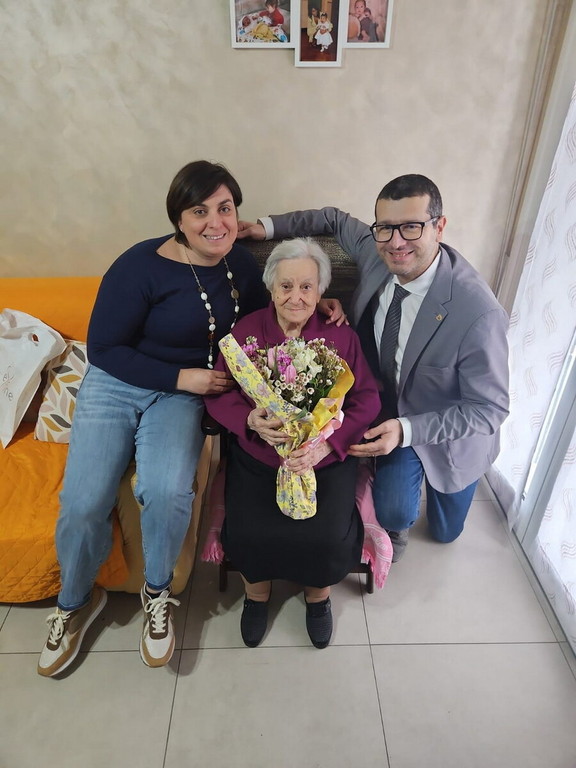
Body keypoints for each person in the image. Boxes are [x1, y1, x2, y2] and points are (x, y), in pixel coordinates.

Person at [37, 160, 344, 679]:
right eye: (199, 211)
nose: (215, 222)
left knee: (165, 489)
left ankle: (157, 594)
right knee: (84, 500)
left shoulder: (240, 265)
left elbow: (270, 314)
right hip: (118, 385)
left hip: (181, 398)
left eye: (225, 208)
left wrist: (317, 304)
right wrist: (184, 377)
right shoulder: (137, 265)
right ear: (178, 218)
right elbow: (105, 350)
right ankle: (74, 602)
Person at [237, 174, 510, 563]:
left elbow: (490, 409)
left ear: (439, 227)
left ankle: (444, 492)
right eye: (386, 227)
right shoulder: (377, 251)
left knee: (445, 531)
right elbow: (331, 218)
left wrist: (407, 430)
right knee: (395, 511)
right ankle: (397, 522)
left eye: (412, 227)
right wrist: (264, 227)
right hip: (384, 405)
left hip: (442, 425)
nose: (396, 242)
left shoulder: (477, 313)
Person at [205, 238, 380, 649]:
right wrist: (249, 419)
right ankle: (256, 596)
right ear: (271, 287)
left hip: (323, 460)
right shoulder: (245, 335)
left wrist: (327, 446)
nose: (296, 297)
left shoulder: (340, 336)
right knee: (249, 532)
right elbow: (219, 393)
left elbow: (367, 399)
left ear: (321, 292)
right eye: (286, 286)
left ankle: (318, 598)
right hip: (260, 455)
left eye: (306, 287)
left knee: (326, 535)